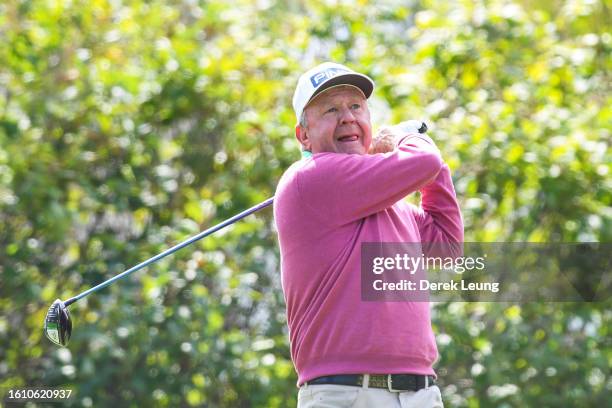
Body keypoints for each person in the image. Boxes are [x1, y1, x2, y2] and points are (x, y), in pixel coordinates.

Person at [273, 62, 463, 408]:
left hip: (419, 394)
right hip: (344, 394)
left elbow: (446, 246)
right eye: (331, 110)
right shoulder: (310, 177)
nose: (347, 117)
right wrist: (408, 139)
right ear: (303, 135)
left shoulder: (395, 208)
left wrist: (433, 166)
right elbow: (423, 160)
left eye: (355, 107)